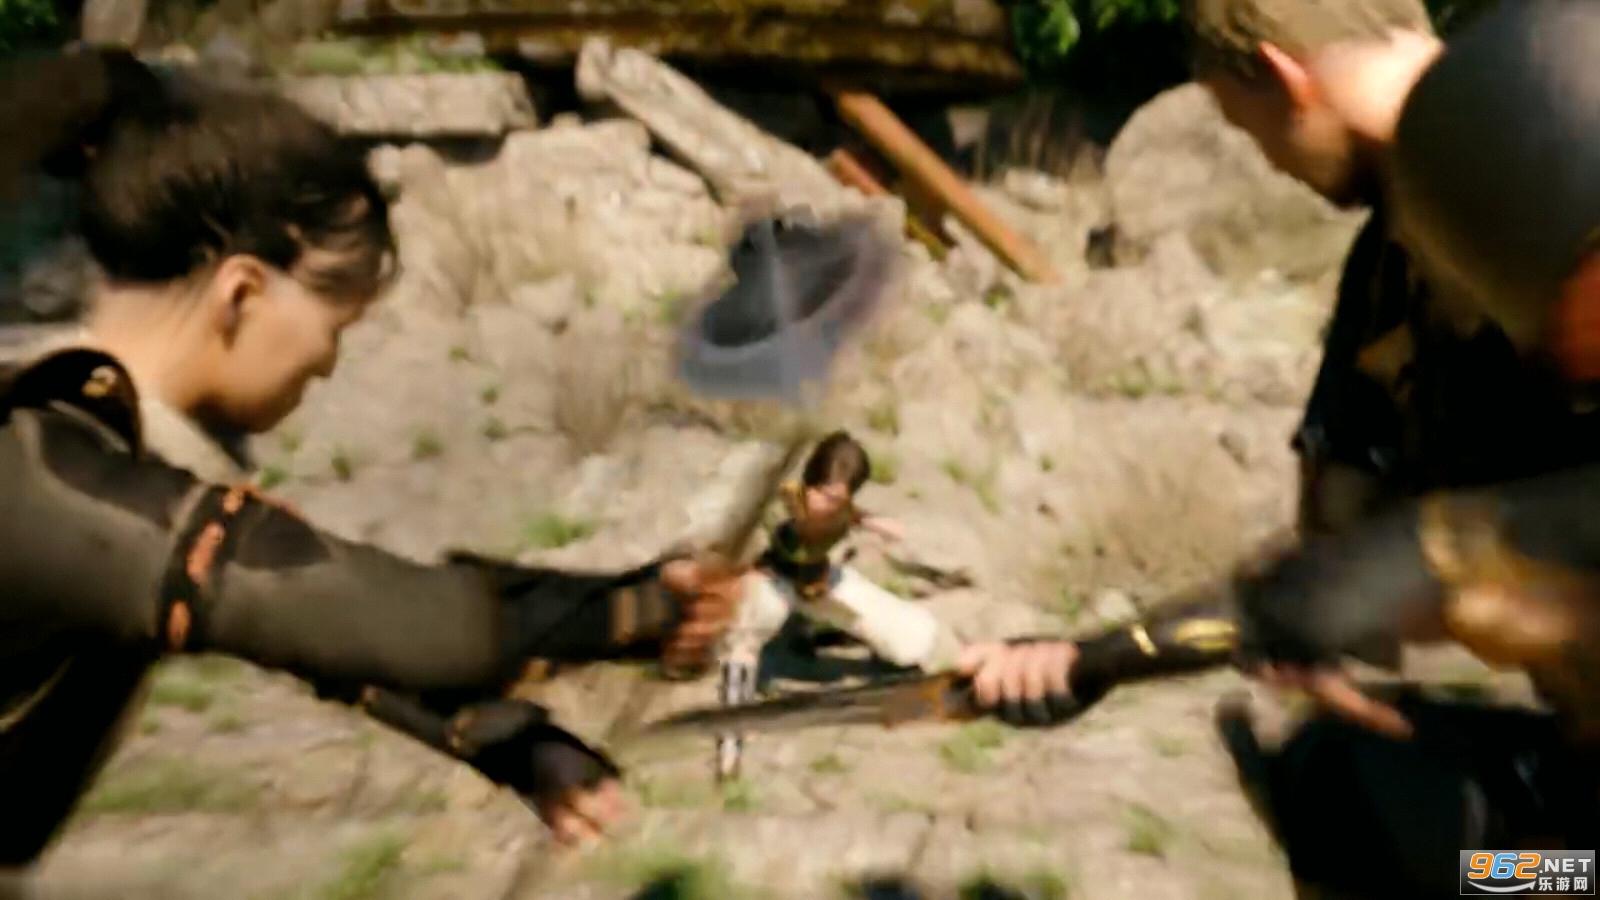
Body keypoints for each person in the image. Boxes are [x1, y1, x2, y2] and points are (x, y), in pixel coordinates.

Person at [0, 47, 742, 872]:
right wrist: (637, 609)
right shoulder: (44, 478)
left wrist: (503, 736)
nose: (326, 364)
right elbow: (399, 619)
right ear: (242, 293)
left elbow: (314, 625)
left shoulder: (94, 456)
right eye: (334, 328)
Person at [957, 0, 1600, 894]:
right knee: (1379, 814)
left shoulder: (1557, 157)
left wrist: (1430, 554)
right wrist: (1101, 655)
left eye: (1243, 125)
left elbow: (1389, 564)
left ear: (1281, 74)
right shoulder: (1397, 279)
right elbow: (1329, 578)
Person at [716, 429, 965, 778]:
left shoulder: (842, 511)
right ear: (810, 482)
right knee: (748, 631)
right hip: (774, 581)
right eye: (822, 493)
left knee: (912, 641)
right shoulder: (786, 500)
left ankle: (838, 638)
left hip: (821, 583)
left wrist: (870, 522)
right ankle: (732, 735)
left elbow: (870, 521)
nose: (826, 504)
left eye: (836, 499)